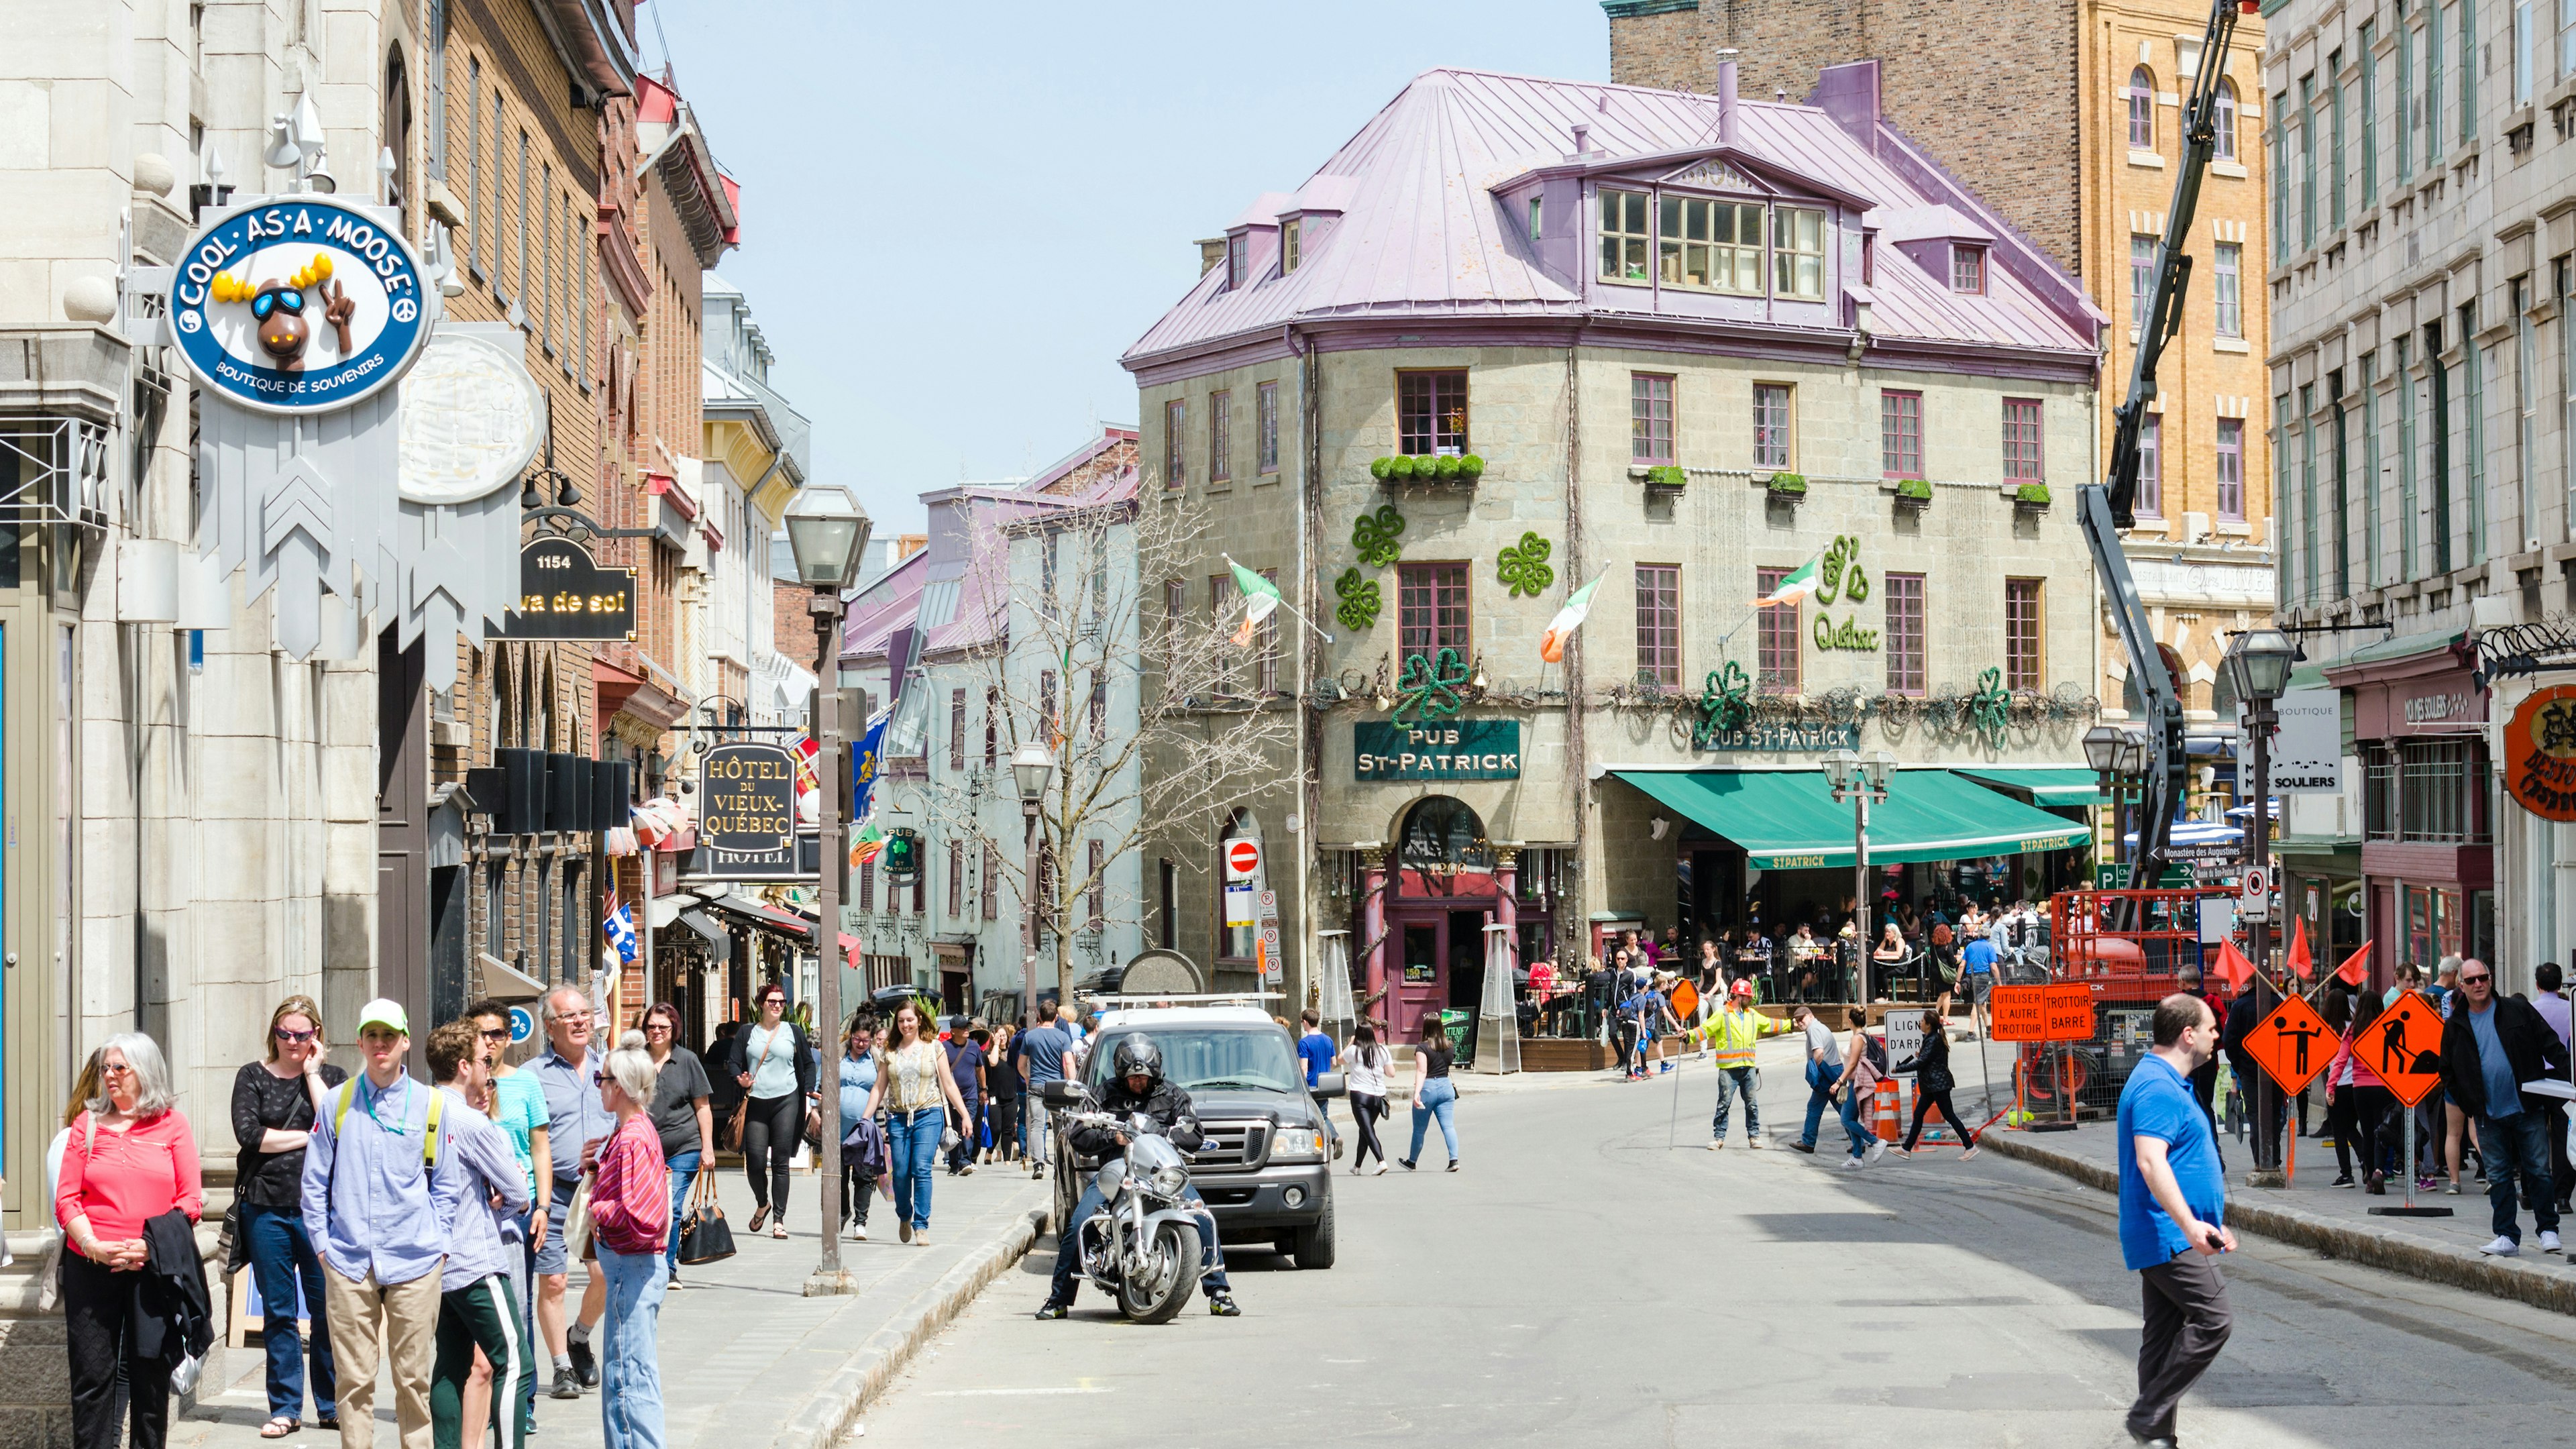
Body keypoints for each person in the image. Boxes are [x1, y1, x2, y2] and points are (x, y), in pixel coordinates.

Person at [302, 1001, 468, 1449]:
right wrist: (322, 1244)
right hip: (349, 1261)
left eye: (389, 1036)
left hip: (415, 1260)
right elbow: (314, 1182)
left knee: (412, 1379)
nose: (381, 1045)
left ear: (405, 1042)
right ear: (360, 1042)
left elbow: (447, 1186)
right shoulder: (337, 1104)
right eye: (372, 1036)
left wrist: (442, 1246)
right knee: (353, 1380)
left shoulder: (431, 1105)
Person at [56, 1033, 203, 1449]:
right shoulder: (85, 1125)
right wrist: (92, 1245)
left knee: (150, 1383)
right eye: (105, 1068)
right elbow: (66, 1198)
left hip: (150, 1270)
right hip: (91, 1266)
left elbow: (189, 1200)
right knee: (92, 1381)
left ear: (145, 1071)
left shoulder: (173, 1125)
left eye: (120, 1068)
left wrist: (149, 1246)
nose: (109, 1076)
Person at [1034, 1035, 1239, 1320]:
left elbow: (1194, 1132)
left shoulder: (1173, 1095)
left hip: (1160, 1172)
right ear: (1121, 1073)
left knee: (1201, 1215)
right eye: (1132, 1078)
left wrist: (1165, 1133)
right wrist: (1113, 1136)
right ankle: (1059, 1299)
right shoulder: (1104, 1094)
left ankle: (1219, 1293)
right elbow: (1079, 1133)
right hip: (1119, 1169)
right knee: (1081, 1222)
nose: (1138, 1082)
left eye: (1143, 1077)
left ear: (1154, 1073)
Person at [2118, 994, 2233, 1449]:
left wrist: (2208, 1222)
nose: (2216, 1036)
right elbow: (2151, 1162)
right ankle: (2149, 1417)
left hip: (2172, 1231)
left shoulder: (2166, 1082)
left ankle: (2158, 1437)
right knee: (2215, 1319)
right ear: (2188, 1035)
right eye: (2210, 1029)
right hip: (2168, 1234)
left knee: (2162, 1340)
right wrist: (2189, 1225)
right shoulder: (2157, 1087)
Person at [232, 995, 347, 1438]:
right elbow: (249, 1136)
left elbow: (335, 1126)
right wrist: (306, 1136)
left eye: (303, 1034)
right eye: (286, 1034)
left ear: (317, 1036)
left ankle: (330, 1402)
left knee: (327, 1311)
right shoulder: (253, 1076)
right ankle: (285, 1407)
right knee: (279, 1313)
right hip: (265, 1208)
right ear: (273, 1033)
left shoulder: (333, 1078)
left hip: (321, 1212)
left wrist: (314, 1074)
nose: (294, 1042)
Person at [425, 1020, 533, 1449]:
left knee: (450, 1365)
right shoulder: (471, 1122)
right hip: (475, 1259)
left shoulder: (420, 1110)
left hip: (438, 1262)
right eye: (483, 1061)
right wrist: (506, 1203)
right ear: (464, 1065)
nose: (488, 1071)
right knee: (516, 1363)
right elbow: (518, 1189)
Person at [2436, 959, 2571, 1256]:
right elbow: (2446, 1069)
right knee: (2498, 1176)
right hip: (2487, 1114)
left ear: (2490, 978)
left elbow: (2551, 1045)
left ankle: (2548, 1230)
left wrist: (2572, 1081)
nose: (2478, 984)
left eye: (2482, 978)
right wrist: (2469, 1102)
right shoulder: (2456, 1025)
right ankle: (2506, 1235)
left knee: (2539, 1171)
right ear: (2461, 985)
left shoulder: (2517, 1009)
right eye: (2470, 980)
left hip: (2527, 1107)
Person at [465, 1000, 547, 1444]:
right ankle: (479, 1405)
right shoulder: (462, 1088)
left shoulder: (526, 1085)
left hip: (517, 1216)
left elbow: (539, 1149)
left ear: (509, 1037)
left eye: (497, 1034)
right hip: (471, 1223)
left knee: (516, 1309)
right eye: (482, 1034)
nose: (490, 1042)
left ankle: (521, 1403)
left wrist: (543, 1205)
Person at [590, 1032, 672, 1449]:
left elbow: (643, 1216)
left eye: (600, 1079)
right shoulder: (633, 1131)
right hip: (631, 1269)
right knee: (631, 1373)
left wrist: (597, 1211)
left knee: (628, 1378)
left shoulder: (634, 1137)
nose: (599, 1086)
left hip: (631, 1268)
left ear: (618, 1086)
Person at [531, 986, 612, 1399]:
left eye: (585, 1013)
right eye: (570, 1016)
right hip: (554, 1192)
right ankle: (562, 1367)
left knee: (603, 1277)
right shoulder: (533, 1075)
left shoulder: (610, 1069)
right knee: (554, 1283)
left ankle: (579, 1336)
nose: (581, 1021)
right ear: (550, 1026)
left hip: (599, 1192)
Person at [862, 1000, 973, 1246]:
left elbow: (949, 1084)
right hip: (899, 1116)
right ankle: (904, 1215)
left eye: (910, 1020)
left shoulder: (934, 1048)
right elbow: (879, 1088)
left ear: (919, 1020)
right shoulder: (889, 1050)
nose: (905, 1025)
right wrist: (865, 1118)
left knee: (921, 1168)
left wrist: (964, 1115)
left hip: (929, 1114)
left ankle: (921, 1225)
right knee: (900, 1172)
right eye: (901, 1021)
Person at [637, 1004, 712, 1285]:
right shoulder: (637, 1060)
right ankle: (649, 1259)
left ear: (673, 1030)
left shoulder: (687, 1060)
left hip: (683, 1147)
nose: (656, 1032)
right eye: (651, 1027)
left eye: (663, 1027)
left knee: (671, 1206)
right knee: (648, 1208)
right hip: (645, 1149)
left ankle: (667, 1269)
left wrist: (707, 1148)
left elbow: (703, 1107)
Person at [733, 984, 816, 1238]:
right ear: (761, 1004)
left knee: (781, 1162)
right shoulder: (747, 1033)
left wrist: (809, 1089)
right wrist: (740, 1079)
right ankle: (763, 1203)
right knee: (756, 1163)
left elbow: (809, 1063)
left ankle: (779, 1220)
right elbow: (735, 1062)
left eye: (781, 1001)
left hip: (787, 1100)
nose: (777, 1005)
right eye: (772, 1001)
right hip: (756, 1102)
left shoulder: (794, 1031)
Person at [1697, 979, 1789, 1149]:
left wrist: (1791, 1024)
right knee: (1724, 1104)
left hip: (1748, 1068)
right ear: (1739, 997)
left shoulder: (1752, 1015)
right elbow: (1706, 1030)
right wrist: (1688, 1036)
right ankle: (1719, 1137)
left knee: (1752, 1104)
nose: (1750, 1000)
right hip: (1728, 1070)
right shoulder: (1722, 1014)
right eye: (1747, 997)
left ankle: (1754, 1136)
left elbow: (1770, 1024)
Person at [1890, 1003, 1982, 1159]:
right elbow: (1930, 1059)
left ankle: (1970, 1146)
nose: (1920, 1023)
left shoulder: (1933, 1039)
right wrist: (1922, 1055)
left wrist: (1899, 1068)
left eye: (1922, 1021)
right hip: (1933, 1085)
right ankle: (1906, 1149)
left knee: (1949, 1115)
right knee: (1919, 1114)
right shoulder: (1932, 1038)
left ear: (1928, 1024)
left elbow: (1922, 1063)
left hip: (1938, 1085)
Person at [2325, 991, 2392, 1192]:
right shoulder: (2385, 1028)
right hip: (2383, 1087)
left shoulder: (2353, 1031)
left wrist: (2331, 1085)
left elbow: (2340, 1061)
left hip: (2360, 1088)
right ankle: (2379, 1171)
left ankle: (2371, 1179)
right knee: (2381, 1130)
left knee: (2367, 1132)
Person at [1010, 1002, 1074, 1177]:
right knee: (1059, 1127)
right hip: (1057, 1086)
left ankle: (1039, 1164)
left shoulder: (1030, 1037)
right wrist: (1072, 1082)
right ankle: (1059, 1167)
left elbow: (1021, 1064)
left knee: (1037, 1125)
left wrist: (1027, 1077)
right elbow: (1069, 1062)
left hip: (1037, 1085)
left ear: (1040, 1018)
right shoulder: (1063, 1037)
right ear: (1056, 1017)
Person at [2532, 963, 2574, 1214]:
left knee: (2533, 1135)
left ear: (2537, 984)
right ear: (2560, 985)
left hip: (2537, 1076)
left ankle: (2531, 1190)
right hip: (2564, 1073)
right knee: (2563, 1135)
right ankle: (2562, 1196)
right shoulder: (2572, 1009)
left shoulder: (2530, 1010)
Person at [837, 1015, 883, 1240]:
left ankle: (860, 1222)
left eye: (866, 1040)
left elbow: (884, 1089)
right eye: (857, 1039)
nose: (861, 1044)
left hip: (866, 1129)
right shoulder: (838, 1055)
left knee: (864, 1177)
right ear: (851, 1036)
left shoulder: (876, 1059)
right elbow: (820, 1082)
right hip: (838, 1129)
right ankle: (844, 1211)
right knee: (838, 1176)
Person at [1829, 1013, 1890, 1169]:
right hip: (1855, 1081)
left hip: (1859, 1082)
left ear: (1850, 1021)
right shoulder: (1863, 1036)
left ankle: (1876, 1141)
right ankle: (1857, 1157)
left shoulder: (1857, 1038)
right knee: (1851, 1119)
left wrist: (1839, 1082)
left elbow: (1852, 1064)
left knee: (1846, 1120)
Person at [1400, 1016, 1460, 1171]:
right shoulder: (1449, 1046)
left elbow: (1422, 1071)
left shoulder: (1422, 1047)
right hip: (1446, 1087)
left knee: (1419, 1129)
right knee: (1448, 1127)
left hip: (1428, 1087)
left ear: (1425, 1028)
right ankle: (1454, 1160)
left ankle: (1412, 1162)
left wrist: (1416, 1093)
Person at [1788, 1004, 1843, 1155]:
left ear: (1810, 1016)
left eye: (1802, 1018)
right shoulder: (1818, 1027)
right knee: (1842, 1108)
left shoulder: (1813, 1029)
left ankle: (1808, 1142)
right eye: (1797, 1020)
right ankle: (1859, 1140)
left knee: (1814, 1107)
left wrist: (1815, 1072)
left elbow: (1819, 1053)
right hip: (1835, 1070)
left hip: (1827, 1071)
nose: (1800, 1022)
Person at [1344, 1025, 1392, 1175]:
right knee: (1364, 1130)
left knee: (1368, 1130)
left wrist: (1351, 1043)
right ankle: (1357, 1166)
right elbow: (1392, 1073)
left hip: (1360, 1096)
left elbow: (1339, 1060)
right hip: (1378, 1097)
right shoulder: (1383, 1050)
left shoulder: (1354, 1050)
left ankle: (1381, 1161)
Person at [945, 1019, 986, 1176]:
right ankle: (954, 1163)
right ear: (953, 1031)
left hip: (970, 1096)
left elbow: (980, 1069)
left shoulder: (974, 1047)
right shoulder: (945, 1048)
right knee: (953, 1129)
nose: (966, 1030)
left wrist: (983, 1089)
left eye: (967, 1027)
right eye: (962, 1027)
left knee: (967, 1128)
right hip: (950, 1097)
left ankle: (965, 1161)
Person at [1296, 1010, 1341, 1153]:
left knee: (1311, 1117)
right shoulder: (1328, 1040)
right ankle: (1331, 1140)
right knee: (1323, 1115)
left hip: (1310, 1085)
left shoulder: (1304, 1043)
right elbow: (1334, 1062)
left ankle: (1324, 1142)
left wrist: (1299, 1084)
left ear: (1305, 1022)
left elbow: (1304, 1067)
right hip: (1325, 1084)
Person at [984, 1023, 1024, 1166]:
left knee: (1008, 1129)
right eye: (999, 1035)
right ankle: (989, 1152)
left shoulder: (1013, 1053)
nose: (1002, 1038)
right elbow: (993, 1062)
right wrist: (996, 1045)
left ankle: (1007, 1159)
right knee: (996, 1128)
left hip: (1011, 1096)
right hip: (995, 1096)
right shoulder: (989, 1054)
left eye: (1004, 1035)